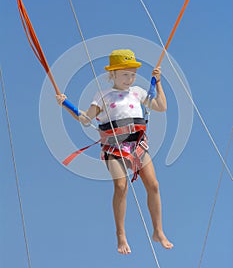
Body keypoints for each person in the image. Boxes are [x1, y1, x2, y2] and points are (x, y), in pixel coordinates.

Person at [56, 49, 173, 254]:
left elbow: (161, 106)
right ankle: (121, 235)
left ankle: (158, 231)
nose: (130, 78)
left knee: (153, 185)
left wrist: (159, 82)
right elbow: (85, 119)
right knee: (121, 186)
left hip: (137, 144)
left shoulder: (138, 92)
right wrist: (65, 104)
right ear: (113, 75)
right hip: (113, 148)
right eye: (125, 74)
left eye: (133, 74)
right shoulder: (103, 95)